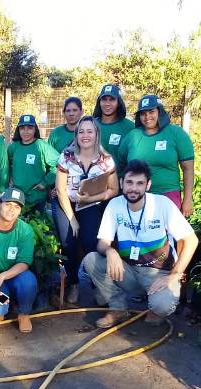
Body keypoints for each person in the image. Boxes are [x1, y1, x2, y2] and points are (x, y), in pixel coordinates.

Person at [82, 160, 199, 328]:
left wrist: (174, 274)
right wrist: (110, 251)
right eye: (129, 182)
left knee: (162, 306)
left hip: (158, 273)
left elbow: (191, 240)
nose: (133, 188)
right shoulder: (115, 205)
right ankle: (118, 309)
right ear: (122, 183)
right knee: (92, 260)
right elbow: (102, 243)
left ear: (148, 185)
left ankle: (155, 307)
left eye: (140, 183)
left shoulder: (162, 204)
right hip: (128, 271)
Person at [54, 116, 119, 304]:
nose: (85, 135)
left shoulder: (106, 160)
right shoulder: (66, 156)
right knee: (68, 243)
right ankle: (73, 283)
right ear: (76, 135)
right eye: (81, 131)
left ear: (96, 134)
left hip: (91, 204)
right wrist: (72, 219)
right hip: (66, 203)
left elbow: (113, 190)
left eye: (90, 131)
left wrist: (92, 198)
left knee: (92, 243)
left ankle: (96, 284)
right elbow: (60, 190)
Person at [118, 95, 195, 217]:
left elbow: (188, 168)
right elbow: (121, 165)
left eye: (151, 111)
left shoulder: (176, 133)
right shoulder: (132, 136)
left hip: (168, 195)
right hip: (137, 197)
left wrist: (187, 199)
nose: (147, 116)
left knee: (168, 235)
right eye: (143, 113)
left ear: (160, 112)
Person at [0, 188, 37, 333]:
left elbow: (24, 261)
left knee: (28, 280)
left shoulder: (25, 230)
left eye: (17, 207)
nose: (12, 210)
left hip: (16, 276)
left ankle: (23, 313)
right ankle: (5, 301)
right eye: (8, 204)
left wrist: (2, 276)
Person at [7, 114, 58, 213]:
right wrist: (10, 178)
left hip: (37, 196)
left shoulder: (41, 145)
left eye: (30, 128)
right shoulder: (14, 147)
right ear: (18, 130)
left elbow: (59, 164)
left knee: (38, 225)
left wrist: (45, 182)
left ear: (35, 129)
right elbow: (6, 164)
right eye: (22, 128)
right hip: (17, 196)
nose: (26, 132)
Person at [92, 84, 134, 163]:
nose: (107, 103)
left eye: (112, 99)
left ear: (119, 102)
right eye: (104, 99)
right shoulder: (90, 125)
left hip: (120, 175)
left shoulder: (130, 127)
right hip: (93, 174)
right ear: (99, 102)